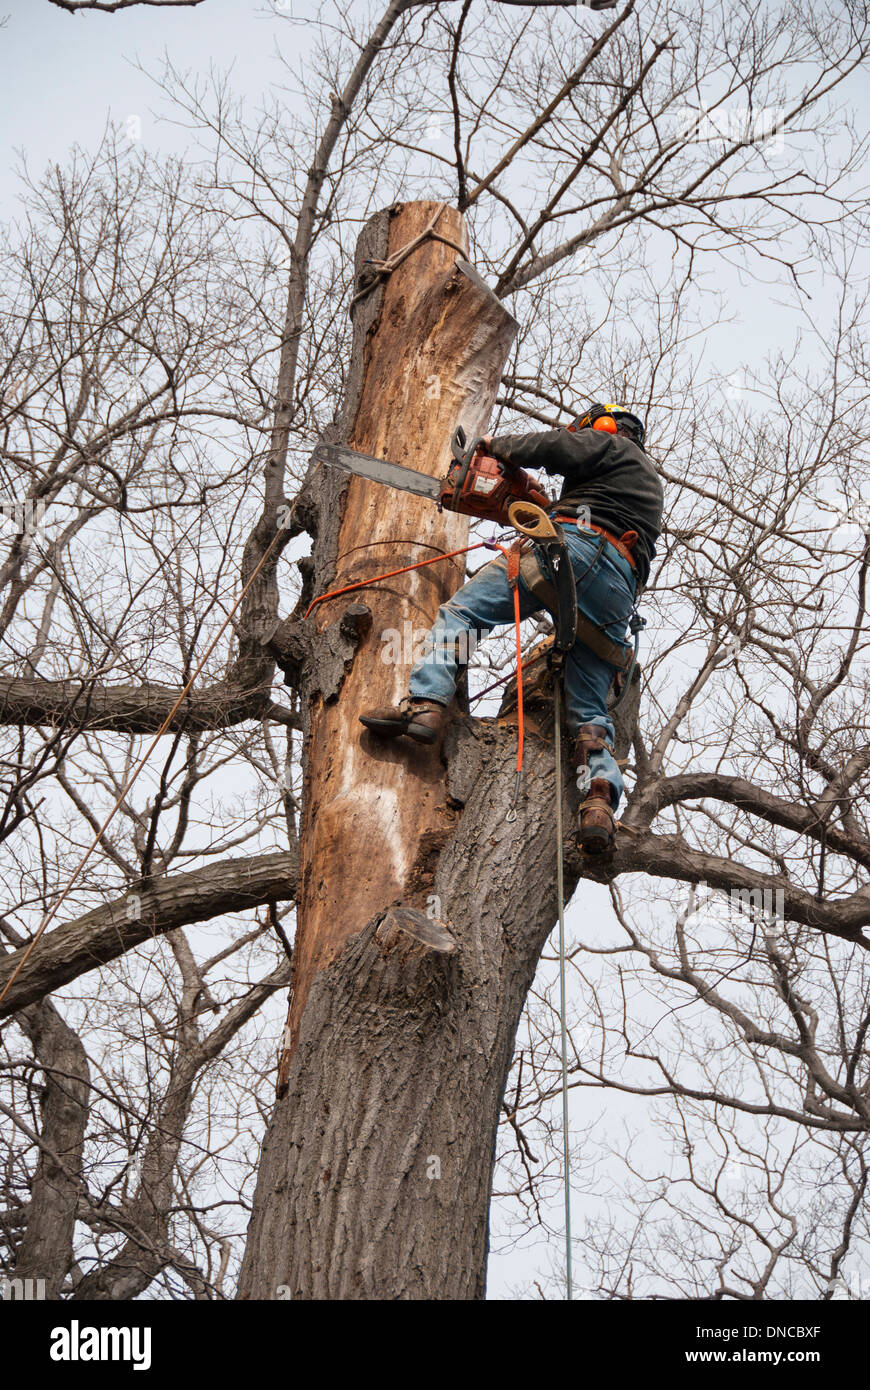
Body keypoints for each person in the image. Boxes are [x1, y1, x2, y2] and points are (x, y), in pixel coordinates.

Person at [359, 402, 664, 853]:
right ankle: (599, 798)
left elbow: (554, 445)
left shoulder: (608, 444)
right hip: (618, 592)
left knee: (462, 614)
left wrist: (493, 447)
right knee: (589, 714)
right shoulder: (646, 486)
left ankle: (425, 703)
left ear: (603, 428)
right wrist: (544, 504)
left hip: (575, 551)